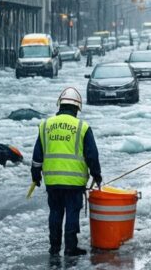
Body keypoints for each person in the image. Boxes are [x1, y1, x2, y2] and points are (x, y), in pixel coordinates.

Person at [31, 88, 102, 256]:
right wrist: (96, 175)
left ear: (60, 105)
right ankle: (70, 247)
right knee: (72, 213)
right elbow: (92, 155)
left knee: (55, 213)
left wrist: (35, 175)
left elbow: (37, 155)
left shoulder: (46, 125)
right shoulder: (82, 127)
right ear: (77, 108)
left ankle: (54, 247)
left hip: (52, 182)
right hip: (74, 183)